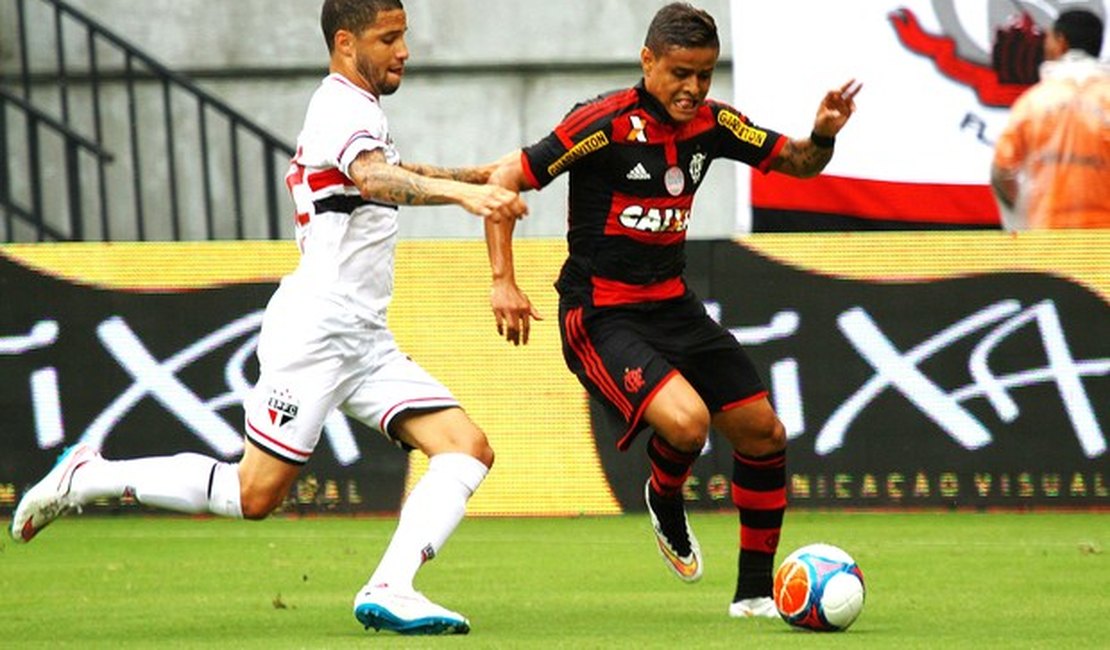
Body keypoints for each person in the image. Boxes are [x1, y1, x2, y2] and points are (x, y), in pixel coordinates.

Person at [9, 0, 527, 636]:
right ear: (345, 42)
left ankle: (393, 586)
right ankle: (88, 476)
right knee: (252, 495)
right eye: (388, 38)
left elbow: (392, 171)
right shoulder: (339, 105)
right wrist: (466, 194)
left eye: (404, 36)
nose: (404, 51)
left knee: (467, 449)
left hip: (361, 337)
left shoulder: (361, 109)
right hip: (316, 332)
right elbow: (370, 179)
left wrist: (471, 174)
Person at [483, 2, 859, 618]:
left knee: (764, 434)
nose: (693, 89)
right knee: (687, 424)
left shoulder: (714, 124)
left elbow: (795, 163)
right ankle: (664, 494)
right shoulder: (600, 123)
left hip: (674, 306)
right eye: (681, 73)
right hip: (601, 312)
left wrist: (822, 134)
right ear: (648, 61)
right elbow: (505, 179)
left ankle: (754, 595)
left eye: (705, 75)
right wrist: (504, 281)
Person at [991, 9, 1110, 229]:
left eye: (1049, 38)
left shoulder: (1034, 102)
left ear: (1061, 42)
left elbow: (1002, 170)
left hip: (1049, 236)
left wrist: (1020, 221)